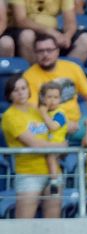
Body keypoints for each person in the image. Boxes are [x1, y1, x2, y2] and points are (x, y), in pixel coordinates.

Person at [1, 74, 66, 218]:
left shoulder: (38, 109)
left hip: (53, 173)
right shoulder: (10, 116)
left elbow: (58, 126)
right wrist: (61, 146)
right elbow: (35, 144)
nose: (21, 92)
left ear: (29, 90)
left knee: (53, 223)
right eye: (15, 90)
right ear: (9, 94)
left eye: (23, 88)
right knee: (24, 223)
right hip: (29, 175)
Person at [24, 34, 87, 138]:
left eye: (49, 50)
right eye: (40, 51)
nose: (45, 54)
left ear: (57, 51)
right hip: (48, 125)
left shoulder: (72, 68)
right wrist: (61, 125)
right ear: (35, 53)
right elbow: (33, 110)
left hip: (76, 122)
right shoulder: (29, 76)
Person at [8, 0, 87, 64]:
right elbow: (21, 20)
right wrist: (49, 31)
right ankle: (34, 76)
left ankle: (63, 75)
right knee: (26, 36)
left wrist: (68, 36)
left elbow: (70, 22)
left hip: (53, 32)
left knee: (86, 39)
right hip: (28, 29)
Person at [38, 80, 68, 195]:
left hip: (58, 143)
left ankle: (54, 181)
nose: (52, 101)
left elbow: (53, 127)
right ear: (43, 98)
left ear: (60, 99)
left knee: (51, 158)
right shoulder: (45, 112)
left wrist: (43, 114)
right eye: (49, 97)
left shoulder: (60, 114)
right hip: (47, 144)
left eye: (56, 97)